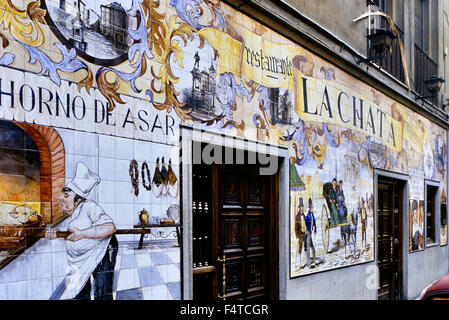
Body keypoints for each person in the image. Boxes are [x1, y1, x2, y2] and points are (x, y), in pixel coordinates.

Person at [46, 162, 118, 300]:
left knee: (102, 289)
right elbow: (63, 230)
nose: (61, 198)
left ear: (78, 200)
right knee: (80, 287)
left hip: (102, 250)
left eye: (66, 196)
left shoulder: (90, 207)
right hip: (81, 257)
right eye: (62, 195)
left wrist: (82, 233)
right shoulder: (68, 213)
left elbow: (110, 227)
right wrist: (53, 231)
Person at [304, 198, 317, 269]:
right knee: (308, 249)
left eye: (312, 207)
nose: (312, 208)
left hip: (311, 234)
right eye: (311, 207)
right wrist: (308, 230)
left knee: (313, 249)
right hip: (308, 234)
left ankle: (314, 263)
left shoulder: (312, 215)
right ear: (309, 208)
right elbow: (306, 222)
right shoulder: (307, 216)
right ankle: (309, 265)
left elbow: (314, 222)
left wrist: (315, 231)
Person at [294, 197, 306, 268]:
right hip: (300, 234)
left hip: (304, 233)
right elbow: (296, 227)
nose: (302, 208)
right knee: (300, 247)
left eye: (302, 207)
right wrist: (297, 235)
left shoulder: (303, 215)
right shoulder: (297, 216)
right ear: (299, 208)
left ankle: (304, 261)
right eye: (301, 207)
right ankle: (300, 263)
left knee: (305, 247)